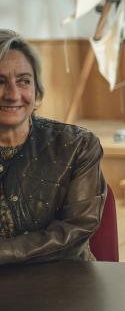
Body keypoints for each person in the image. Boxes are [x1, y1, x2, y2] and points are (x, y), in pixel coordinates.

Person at [0, 29, 106, 264]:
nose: (13, 94)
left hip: (62, 286)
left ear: (36, 90)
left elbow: (76, 230)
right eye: (0, 82)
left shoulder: (77, 145)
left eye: (24, 81)